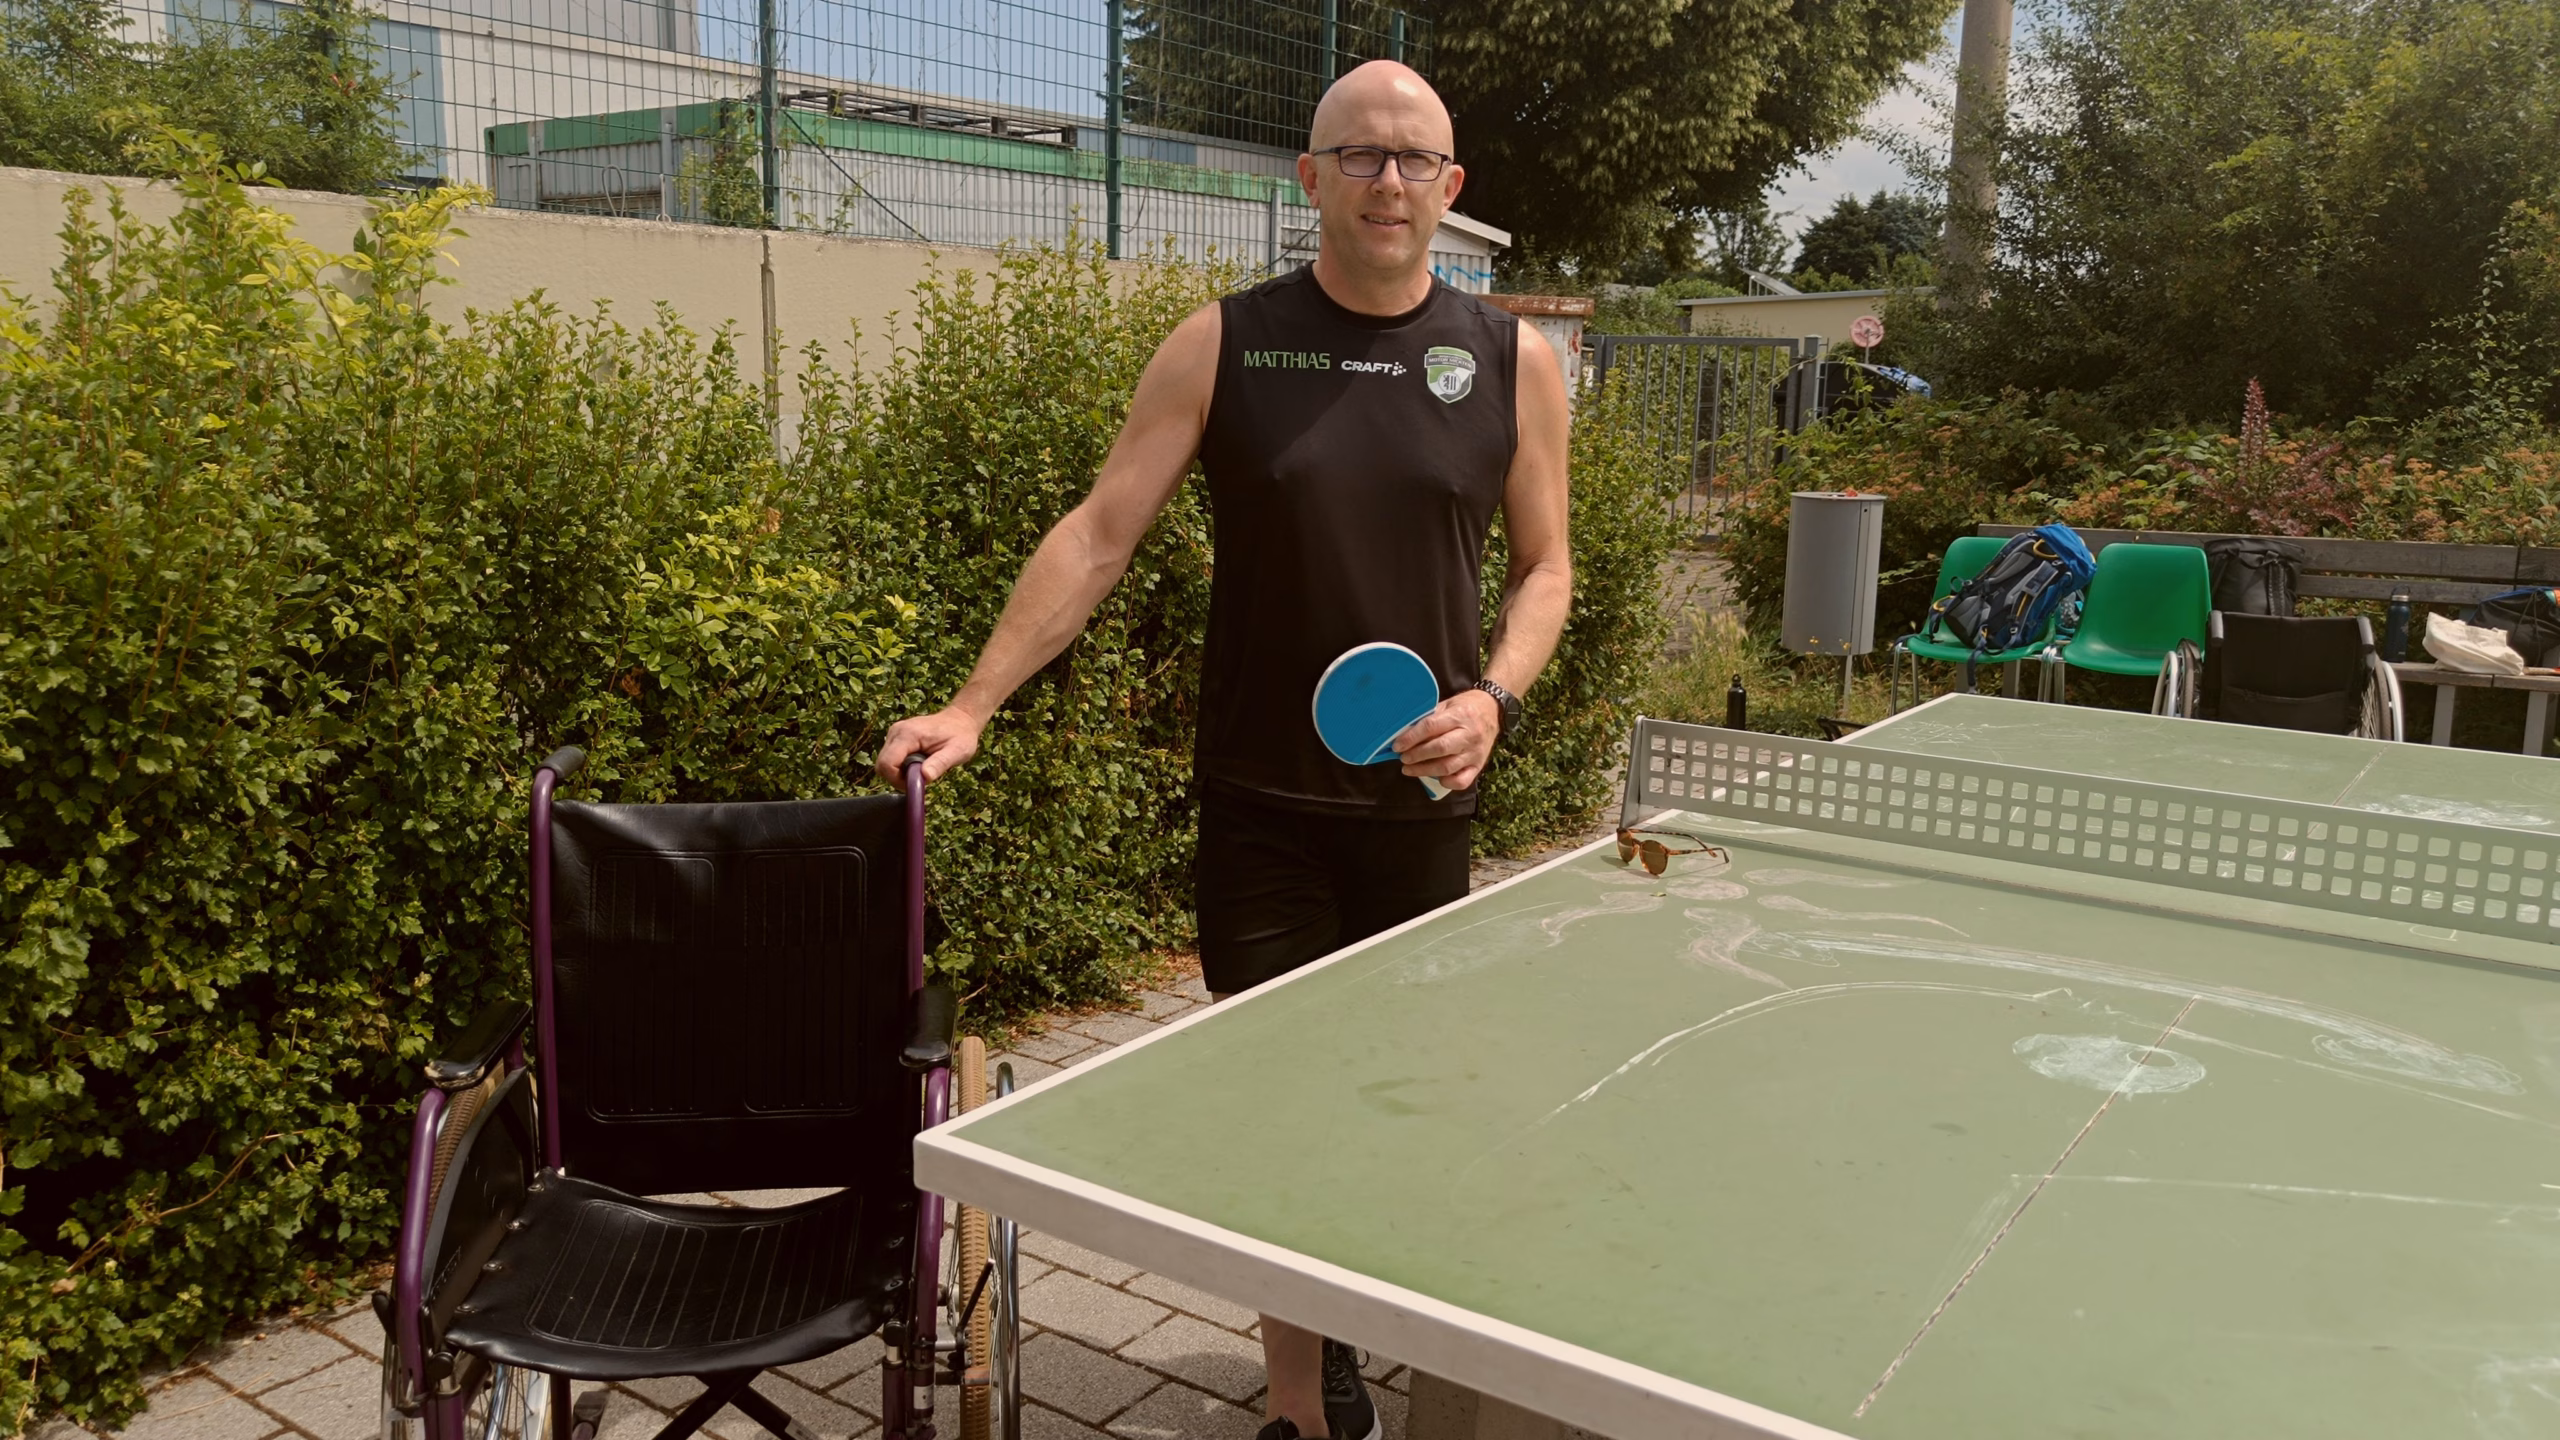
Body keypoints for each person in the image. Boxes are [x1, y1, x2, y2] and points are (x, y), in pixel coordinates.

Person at [876, 58, 1571, 1440]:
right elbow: (1098, 533)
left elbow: (1549, 569)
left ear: (1452, 188)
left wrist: (1493, 697)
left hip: (1420, 818)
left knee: (1398, 1114)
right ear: (1307, 179)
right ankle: (1306, 1408)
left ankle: (1374, 1322)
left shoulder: (1508, 358)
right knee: (1275, 1124)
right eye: (1359, 155)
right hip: (1259, 811)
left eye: (1412, 159)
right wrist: (975, 702)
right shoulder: (1227, 343)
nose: (1387, 180)